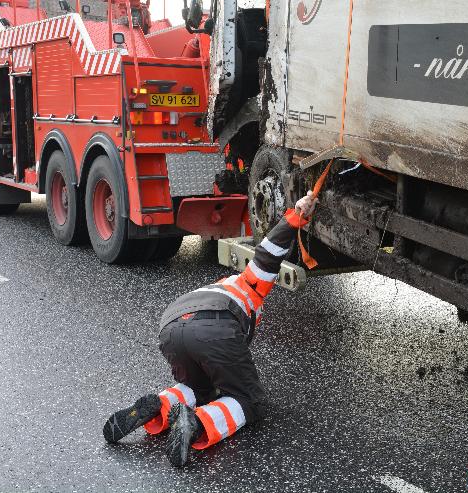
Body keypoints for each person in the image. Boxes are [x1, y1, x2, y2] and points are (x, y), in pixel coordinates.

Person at [102, 191, 319, 467]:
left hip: (171, 328)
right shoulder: (248, 284)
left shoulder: (215, 286)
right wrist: (296, 215)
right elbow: (269, 252)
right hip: (215, 326)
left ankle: (159, 406)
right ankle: (197, 422)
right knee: (250, 401)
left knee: (200, 389)